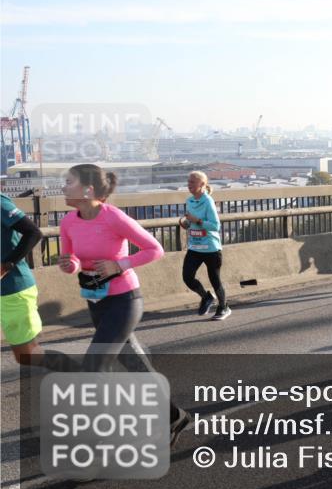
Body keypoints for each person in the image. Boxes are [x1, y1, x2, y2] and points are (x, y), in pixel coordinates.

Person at [57, 164, 191, 445]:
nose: (63, 187)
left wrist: (120, 265)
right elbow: (72, 262)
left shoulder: (113, 217)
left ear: (88, 189)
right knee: (136, 366)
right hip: (97, 301)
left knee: (94, 367)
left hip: (125, 301)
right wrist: (71, 264)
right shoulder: (68, 222)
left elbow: (155, 249)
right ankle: (174, 416)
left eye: (69, 181)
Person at [2, 194, 78, 373]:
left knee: (26, 355)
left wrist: (6, 266)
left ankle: (83, 374)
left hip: (12, 290)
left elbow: (34, 233)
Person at [179, 171, 230, 320]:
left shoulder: (208, 201)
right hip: (195, 247)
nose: (189, 185)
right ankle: (206, 297)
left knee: (215, 280)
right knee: (187, 277)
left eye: (192, 182)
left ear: (202, 185)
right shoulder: (189, 201)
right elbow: (191, 223)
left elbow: (215, 226)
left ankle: (224, 307)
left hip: (211, 248)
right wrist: (186, 224)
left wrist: (197, 220)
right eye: (188, 182)